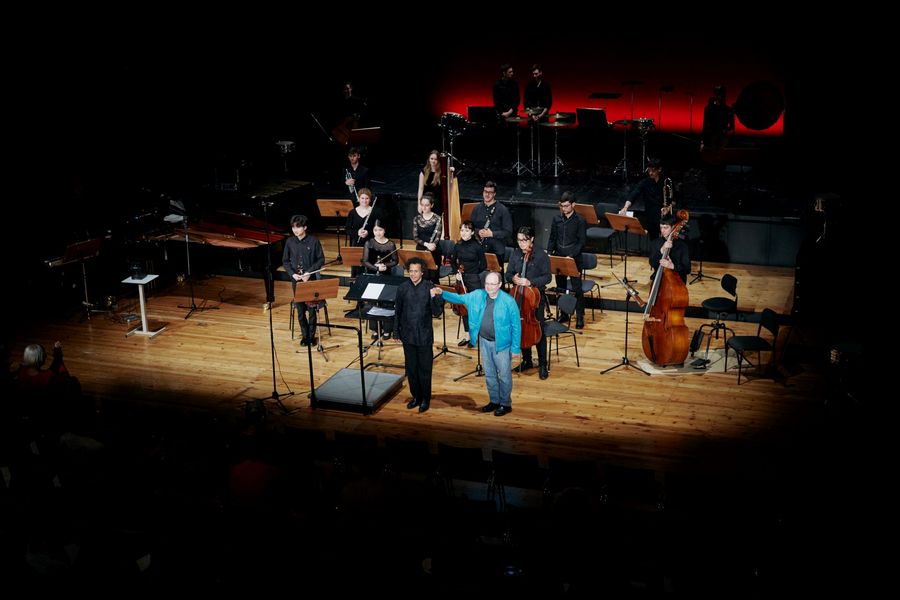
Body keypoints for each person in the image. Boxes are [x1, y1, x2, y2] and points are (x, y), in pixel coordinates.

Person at [435, 272, 520, 416]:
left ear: (499, 285)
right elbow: (459, 298)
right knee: (490, 375)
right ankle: (494, 401)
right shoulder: (477, 295)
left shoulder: (509, 301)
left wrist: (516, 348)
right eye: (487, 283)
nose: (489, 287)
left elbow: (516, 326)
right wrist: (442, 293)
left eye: (493, 284)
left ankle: (505, 404)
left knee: (504, 376)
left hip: (502, 345)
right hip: (485, 342)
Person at [394, 257, 444, 413]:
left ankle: (425, 399)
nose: (413, 274)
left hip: (424, 335)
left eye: (416, 271)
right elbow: (398, 312)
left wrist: (435, 296)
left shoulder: (429, 287)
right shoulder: (402, 288)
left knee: (424, 370)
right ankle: (415, 396)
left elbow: (437, 312)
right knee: (411, 369)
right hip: (408, 335)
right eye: (411, 271)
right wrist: (396, 331)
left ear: (422, 272)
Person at [506, 226, 551, 380]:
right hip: (518, 297)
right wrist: (514, 279)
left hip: (535, 299)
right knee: (521, 327)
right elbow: (508, 274)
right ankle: (527, 360)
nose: (521, 244)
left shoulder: (540, 255)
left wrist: (529, 281)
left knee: (539, 331)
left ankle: (543, 364)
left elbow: (547, 278)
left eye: (524, 240)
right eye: (519, 240)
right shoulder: (515, 253)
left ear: (532, 239)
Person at [282, 214, 326, 347]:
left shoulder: (313, 241)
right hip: (296, 280)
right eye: (293, 227)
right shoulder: (290, 242)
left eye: (298, 227)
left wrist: (309, 272)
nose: (295, 230)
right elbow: (285, 261)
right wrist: (292, 274)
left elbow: (321, 259)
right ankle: (304, 335)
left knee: (312, 310)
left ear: (305, 227)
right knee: (300, 311)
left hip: (310, 280)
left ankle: (311, 336)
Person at [547, 192, 586, 329]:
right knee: (561, 287)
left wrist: (572, 255)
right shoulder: (557, 219)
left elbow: (581, 242)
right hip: (560, 256)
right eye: (562, 206)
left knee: (577, 288)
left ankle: (580, 316)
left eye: (566, 206)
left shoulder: (580, 220)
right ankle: (563, 313)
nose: (564, 208)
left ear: (573, 205)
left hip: (573, 258)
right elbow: (552, 237)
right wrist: (550, 252)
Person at [449, 220, 486, 346]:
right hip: (461, 279)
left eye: (466, 230)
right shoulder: (458, 245)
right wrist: (456, 271)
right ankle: (467, 336)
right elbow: (452, 261)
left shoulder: (477, 246)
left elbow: (484, 264)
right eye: (462, 230)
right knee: (464, 308)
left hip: (473, 279)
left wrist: (472, 273)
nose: (463, 233)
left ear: (471, 232)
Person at [619, 158, 671, 241]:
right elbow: (633, 194)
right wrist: (625, 207)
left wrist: (668, 208)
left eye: (653, 171)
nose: (650, 173)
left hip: (665, 217)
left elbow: (674, 199)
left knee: (666, 241)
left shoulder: (666, 182)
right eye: (649, 170)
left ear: (659, 169)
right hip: (651, 217)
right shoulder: (645, 182)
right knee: (654, 241)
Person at [362, 220, 398, 340]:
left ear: (384, 230)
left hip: (387, 276)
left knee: (386, 302)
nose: (378, 233)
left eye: (380, 230)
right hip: (373, 276)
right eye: (375, 230)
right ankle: (375, 329)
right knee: (372, 302)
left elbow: (395, 261)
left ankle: (387, 329)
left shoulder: (391, 244)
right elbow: (365, 261)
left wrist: (385, 266)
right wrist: (376, 267)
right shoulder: (369, 243)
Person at [701, 85, 734, 204]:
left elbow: (732, 127)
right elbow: (705, 126)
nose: (718, 96)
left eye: (720, 93)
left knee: (720, 168)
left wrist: (725, 133)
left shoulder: (728, 110)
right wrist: (703, 142)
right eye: (717, 93)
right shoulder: (709, 108)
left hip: (722, 141)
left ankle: (719, 195)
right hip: (710, 140)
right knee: (709, 168)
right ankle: (710, 194)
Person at [470, 180, 513, 268]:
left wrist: (492, 234)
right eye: (485, 192)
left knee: (497, 277)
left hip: (497, 249)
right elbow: (471, 228)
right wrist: (478, 231)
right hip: (480, 248)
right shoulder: (476, 209)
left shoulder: (503, 210)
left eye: (490, 192)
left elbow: (508, 232)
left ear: (494, 194)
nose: (487, 194)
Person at [649, 214, 691, 284]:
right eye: (661, 227)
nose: (662, 230)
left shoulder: (683, 246)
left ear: (673, 227)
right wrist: (661, 250)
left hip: (677, 282)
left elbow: (687, 269)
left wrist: (672, 266)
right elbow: (652, 263)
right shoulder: (655, 243)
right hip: (659, 281)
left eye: (665, 228)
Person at [413, 193, 443, 283]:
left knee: (434, 278)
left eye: (427, 205)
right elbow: (415, 237)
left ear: (431, 205)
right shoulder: (416, 219)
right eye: (422, 205)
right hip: (421, 250)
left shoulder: (437, 218)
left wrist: (432, 245)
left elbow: (437, 236)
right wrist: (426, 244)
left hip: (434, 250)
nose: (424, 208)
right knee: (422, 277)